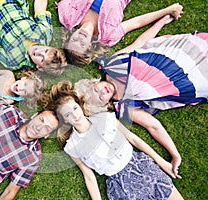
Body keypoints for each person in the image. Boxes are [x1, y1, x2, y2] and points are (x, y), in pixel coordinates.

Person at [74, 15, 208, 175]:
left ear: (93, 82)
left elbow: (139, 44)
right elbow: (153, 126)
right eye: (100, 97)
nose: (103, 91)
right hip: (184, 82)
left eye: (96, 89)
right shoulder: (124, 106)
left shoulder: (113, 64)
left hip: (175, 56)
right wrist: (174, 154)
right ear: (104, 104)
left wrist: (161, 22)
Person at [43, 81, 183, 199]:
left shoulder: (106, 118)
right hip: (120, 184)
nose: (75, 115)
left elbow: (133, 139)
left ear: (79, 105)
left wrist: (162, 162)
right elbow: (89, 176)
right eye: (68, 114)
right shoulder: (72, 147)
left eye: (74, 108)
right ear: (64, 120)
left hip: (140, 165)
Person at [0, 0, 67, 76]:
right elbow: (40, 7)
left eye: (42, 59)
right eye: (46, 50)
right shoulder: (45, 32)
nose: (39, 52)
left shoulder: (13, 61)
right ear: (50, 46)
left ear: (40, 68)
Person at [57, 0, 183, 65]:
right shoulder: (108, 35)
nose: (79, 38)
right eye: (81, 44)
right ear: (89, 46)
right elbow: (137, 22)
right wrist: (169, 9)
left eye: (74, 40)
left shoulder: (67, 16)